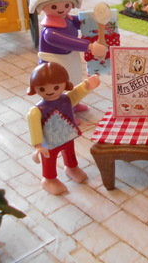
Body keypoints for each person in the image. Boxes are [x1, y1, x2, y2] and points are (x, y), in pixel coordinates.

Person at [28, 0, 107, 113]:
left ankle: (73, 103)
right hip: (53, 63)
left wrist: (93, 19)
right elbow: (67, 41)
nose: (61, 9)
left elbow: (80, 22)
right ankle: (62, 111)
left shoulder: (67, 18)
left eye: (66, 5)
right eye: (54, 6)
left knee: (73, 80)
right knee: (58, 86)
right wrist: (89, 46)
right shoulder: (49, 31)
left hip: (69, 58)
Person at [27, 62, 100, 195]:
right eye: (42, 89)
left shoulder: (66, 99)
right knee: (49, 160)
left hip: (67, 135)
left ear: (64, 84)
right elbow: (34, 127)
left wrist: (87, 85)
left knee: (70, 153)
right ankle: (49, 179)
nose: (50, 91)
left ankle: (72, 168)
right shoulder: (36, 110)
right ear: (34, 88)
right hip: (49, 142)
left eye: (56, 87)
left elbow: (76, 93)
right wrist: (38, 145)